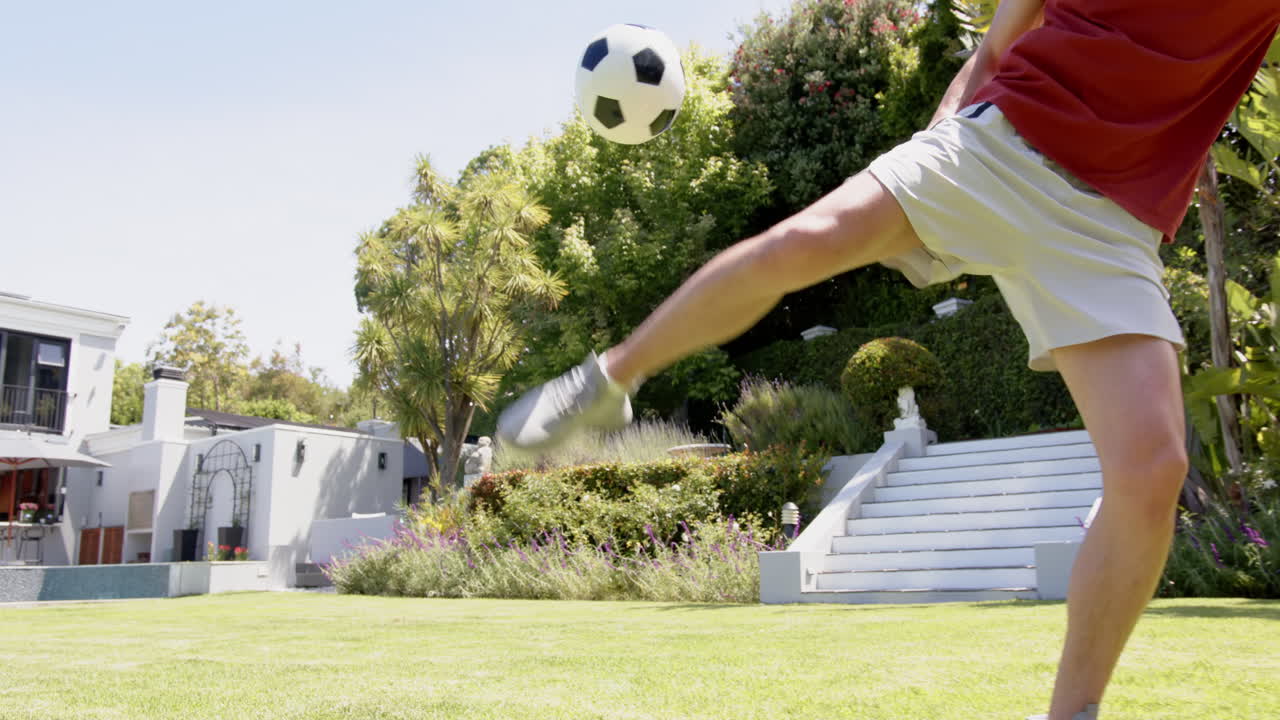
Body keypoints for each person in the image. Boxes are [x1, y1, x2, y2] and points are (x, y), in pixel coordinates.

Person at [498, 2, 1280, 718]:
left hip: (1110, 224)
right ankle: (612, 376)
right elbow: (998, 45)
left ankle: (1069, 714)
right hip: (999, 146)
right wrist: (938, 137)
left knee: (1153, 468)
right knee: (803, 242)